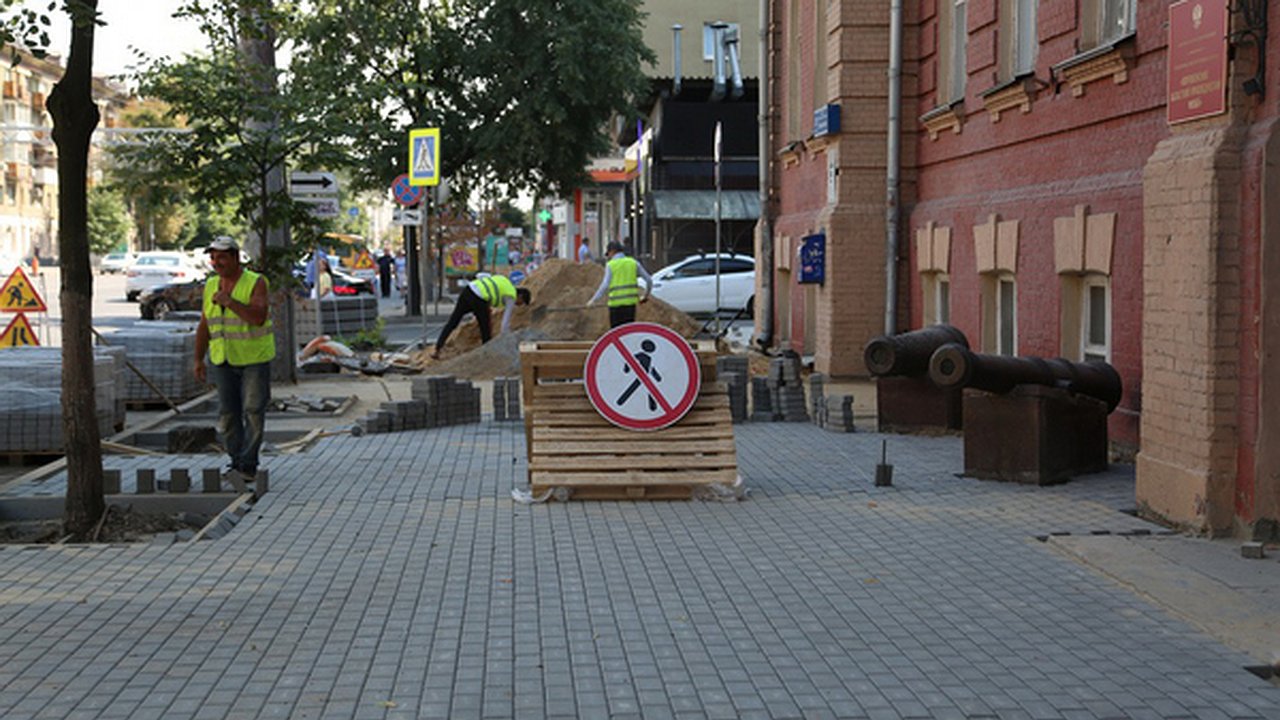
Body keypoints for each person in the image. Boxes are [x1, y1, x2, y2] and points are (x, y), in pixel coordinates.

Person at [194, 236, 275, 493]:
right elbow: (205, 324)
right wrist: (198, 358)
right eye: (213, 258)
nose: (216, 263)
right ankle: (235, 462)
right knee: (228, 414)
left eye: (222, 257)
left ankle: (248, 465)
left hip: (253, 358)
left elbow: (258, 317)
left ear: (236, 258)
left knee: (252, 410)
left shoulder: (255, 282)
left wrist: (230, 302)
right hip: (222, 359)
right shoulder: (211, 285)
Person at [431, 274, 531, 359]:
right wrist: (507, 339)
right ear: (520, 296)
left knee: (453, 322)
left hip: (468, 290)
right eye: (521, 303)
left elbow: (481, 276)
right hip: (479, 298)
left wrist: (486, 305)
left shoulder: (504, 280)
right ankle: (487, 355)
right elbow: (505, 323)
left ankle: (437, 349)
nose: (518, 305)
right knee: (485, 327)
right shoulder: (511, 296)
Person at [588, 241, 652, 328]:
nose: (609, 257)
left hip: (615, 307)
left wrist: (593, 300)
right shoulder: (633, 263)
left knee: (616, 335)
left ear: (613, 251)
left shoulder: (611, 265)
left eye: (609, 254)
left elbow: (605, 285)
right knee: (627, 334)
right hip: (630, 306)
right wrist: (645, 296)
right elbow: (649, 280)